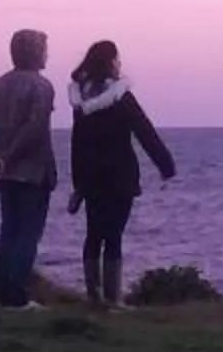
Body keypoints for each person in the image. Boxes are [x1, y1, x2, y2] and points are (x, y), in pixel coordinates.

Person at [65, 39, 176, 308]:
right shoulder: (121, 96)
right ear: (110, 62)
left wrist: (78, 182)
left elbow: (76, 143)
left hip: (91, 179)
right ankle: (113, 299)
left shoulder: (81, 101)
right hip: (120, 177)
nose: (120, 64)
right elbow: (144, 131)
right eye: (117, 59)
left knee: (93, 235)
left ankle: (94, 296)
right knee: (113, 236)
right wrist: (165, 165)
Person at [0, 27, 56, 308]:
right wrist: (9, 154)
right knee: (27, 235)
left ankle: (2, 291)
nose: (47, 54)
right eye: (44, 48)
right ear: (34, 52)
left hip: (3, 174)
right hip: (33, 172)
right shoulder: (41, 86)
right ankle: (17, 296)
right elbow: (35, 128)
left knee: (8, 231)